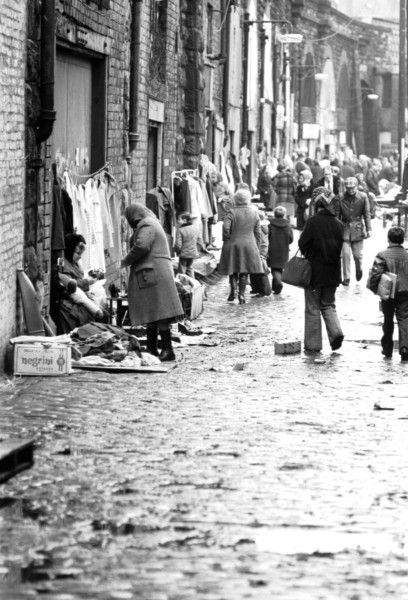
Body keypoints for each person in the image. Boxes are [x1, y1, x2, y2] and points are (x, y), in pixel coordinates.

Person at [121, 204, 184, 362]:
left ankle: (166, 349)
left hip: (153, 273)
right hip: (153, 273)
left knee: (160, 312)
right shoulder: (151, 222)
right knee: (154, 312)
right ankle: (152, 348)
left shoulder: (147, 224)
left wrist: (125, 261)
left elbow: (142, 246)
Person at [298, 189, 344, 353]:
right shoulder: (339, 224)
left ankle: (313, 345)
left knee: (312, 308)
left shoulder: (312, 222)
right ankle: (336, 332)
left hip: (314, 273)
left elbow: (302, 244)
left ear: (317, 207)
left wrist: (310, 254)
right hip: (333, 273)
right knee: (328, 304)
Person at [367, 226, 408, 361]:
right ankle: (404, 348)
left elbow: (375, 275)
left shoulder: (382, 255)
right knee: (404, 319)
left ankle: (387, 349)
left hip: (388, 293)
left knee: (388, 320)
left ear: (388, 239)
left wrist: (374, 289)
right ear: (402, 240)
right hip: (405, 292)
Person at [218, 188, 263, 304]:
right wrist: (257, 246)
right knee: (244, 271)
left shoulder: (231, 212)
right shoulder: (254, 212)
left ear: (236, 199)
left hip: (232, 244)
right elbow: (258, 232)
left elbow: (225, 227)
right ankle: (242, 295)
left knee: (232, 269)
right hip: (249, 244)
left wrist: (227, 238)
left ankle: (233, 291)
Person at [55, 233, 106, 333]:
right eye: (78, 253)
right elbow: (66, 281)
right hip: (70, 299)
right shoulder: (61, 261)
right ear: (70, 249)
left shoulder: (76, 263)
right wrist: (86, 282)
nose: (80, 257)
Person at [334, 176, 371, 286]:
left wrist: (369, 229)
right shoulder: (340, 197)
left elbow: (367, 214)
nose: (350, 190)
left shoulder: (363, 197)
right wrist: (335, 230)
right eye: (348, 188)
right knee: (345, 254)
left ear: (356, 187)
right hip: (344, 228)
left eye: (352, 188)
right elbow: (336, 216)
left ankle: (358, 268)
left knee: (357, 255)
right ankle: (347, 278)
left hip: (358, 228)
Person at [268, 205, 293, 295]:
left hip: (272, 249)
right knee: (280, 268)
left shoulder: (270, 224)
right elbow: (291, 239)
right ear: (284, 214)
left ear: (275, 214)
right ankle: (275, 288)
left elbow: (268, 237)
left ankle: (278, 284)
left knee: (274, 268)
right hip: (284, 250)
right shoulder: (288, 225)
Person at [174, 212, 207, 278]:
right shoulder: (196, 228)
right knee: (190, 268)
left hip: (183, 254)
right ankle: (193, 283)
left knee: (182, 270)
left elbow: (178, 244)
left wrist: (177, 252)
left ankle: (183, 285)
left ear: (184, 220)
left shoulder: (180, 230)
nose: (178, 221)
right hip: (193, 253)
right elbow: (200, 241)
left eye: (179, 219)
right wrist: (198, 250)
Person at [250, 210, 272, 296]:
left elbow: (258, 240)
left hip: (259, 250)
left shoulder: (259, 228)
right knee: (258, 269)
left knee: (260, 270)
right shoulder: (265, 227)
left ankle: (265, 290)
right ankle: (257, 288)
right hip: (263, 249)